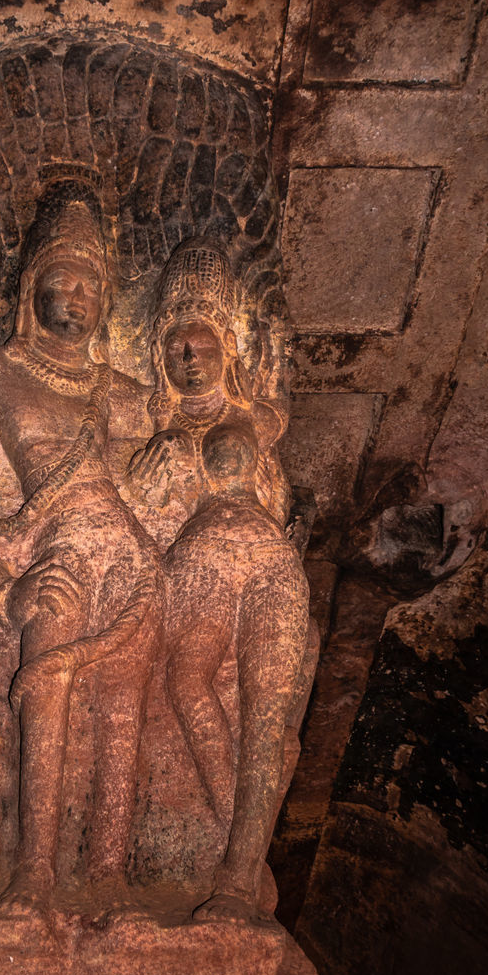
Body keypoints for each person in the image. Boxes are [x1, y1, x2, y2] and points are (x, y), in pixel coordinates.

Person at [0, 177, 163, 934]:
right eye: (62, 278)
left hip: (122, 550)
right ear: (30, 288)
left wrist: (165, 471)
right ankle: (32, 875)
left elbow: (179, 469)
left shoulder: (126, 394)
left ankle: (109, 872)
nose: (78, 295)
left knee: (124, 699)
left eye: (93, 283)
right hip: (43, 556)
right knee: (42, 684)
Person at [130, 239, 313, 921]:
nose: (188, 352)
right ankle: (232, 821)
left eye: (200, 337)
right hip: (197, 564)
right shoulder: (145, 426)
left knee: (268, 712)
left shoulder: (259, 417)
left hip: (267, 560)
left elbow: (275, 355)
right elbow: (135, 519)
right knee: (185, 681)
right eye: (174, 341)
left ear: (227, 345)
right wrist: (161, 451)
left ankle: (238, 875)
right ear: (155, 352)